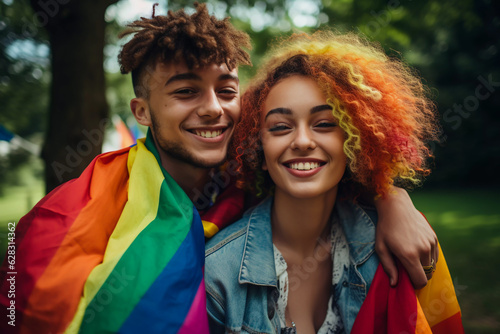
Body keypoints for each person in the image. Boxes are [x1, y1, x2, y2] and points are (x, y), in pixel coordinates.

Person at [0, 4, 438, 334]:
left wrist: (391, 196)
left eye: (226, 91)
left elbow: (332, 165)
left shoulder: (253, 165)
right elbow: (22, 292)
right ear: (143, 112)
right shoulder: (78, 208)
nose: (213, 110)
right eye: (186, 92)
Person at [205, 31, 464, 333]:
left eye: (325, 124)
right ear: (259, 149)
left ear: (354, 144)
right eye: (280, 127)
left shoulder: (401, 244)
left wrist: (393, 196)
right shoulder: (217, 274)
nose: (302, 141)